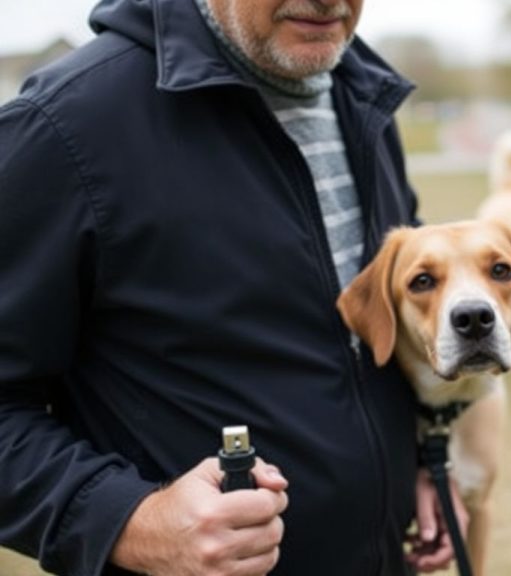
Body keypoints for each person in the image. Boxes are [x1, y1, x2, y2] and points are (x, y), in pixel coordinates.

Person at [0, 0, 466, 574]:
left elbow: (386, 331)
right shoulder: (66, 125)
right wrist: (128, 519)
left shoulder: (363, 90)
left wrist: (425, 459)